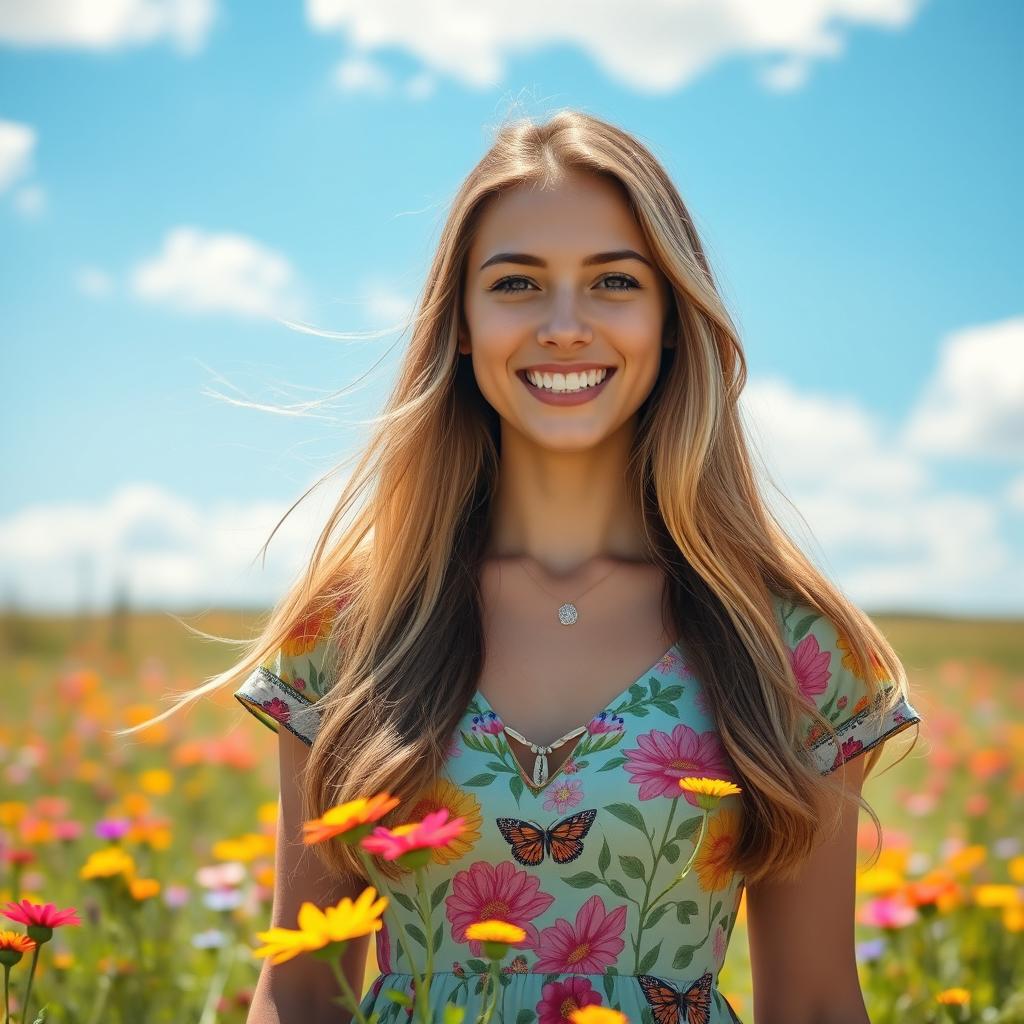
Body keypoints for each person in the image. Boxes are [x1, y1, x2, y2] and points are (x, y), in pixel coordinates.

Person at [126, 110, 922, 1024]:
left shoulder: (793, 646)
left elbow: (817, 1003)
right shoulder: (352, 626)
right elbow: (301, 986)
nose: (564, 326)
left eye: (615, 282)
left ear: (670, 320)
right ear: (461, 324)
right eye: (517, 284)